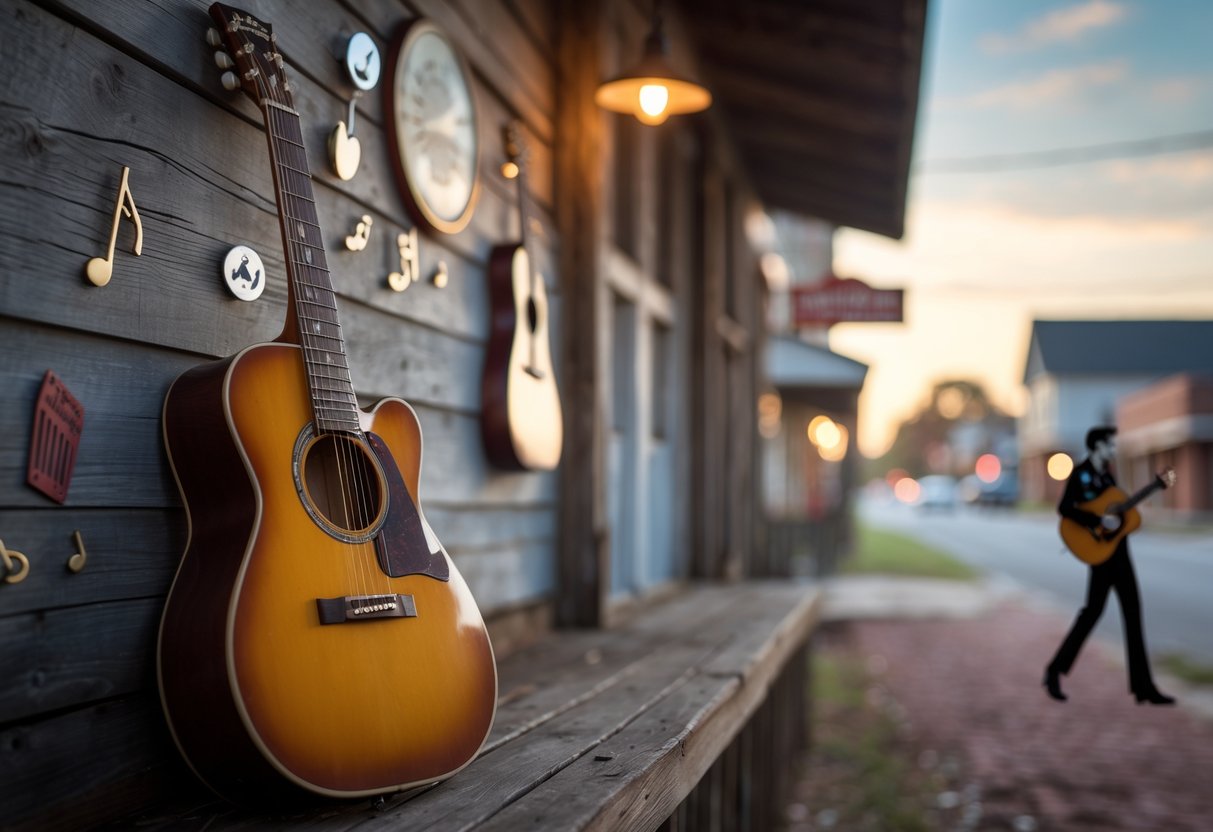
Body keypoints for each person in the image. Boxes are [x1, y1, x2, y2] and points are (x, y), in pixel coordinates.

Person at [1043, 426, 1174, 705]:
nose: (1114, 450)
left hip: (1120, 554)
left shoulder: (1108, 476)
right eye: (1109, 445)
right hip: (1100, 556)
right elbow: (1065, 508)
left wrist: (1155, 486)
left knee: (1133, 614)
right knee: (1091, 613)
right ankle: (1054, 671)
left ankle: (1143, 687)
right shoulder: (1080, 474)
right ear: (1096, 446)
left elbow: (1117, 509)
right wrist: (1095, 522)